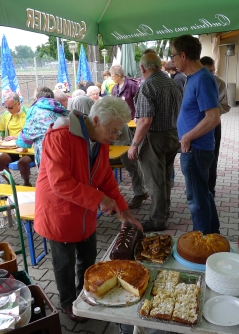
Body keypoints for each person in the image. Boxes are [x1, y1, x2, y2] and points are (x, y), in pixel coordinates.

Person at [34, 96, 143, 323]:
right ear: (95, 120)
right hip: (59, 212)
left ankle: (86, 294)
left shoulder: (99, 140)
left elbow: (105, 178)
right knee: (64, 262)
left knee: (88, 256)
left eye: (117, 132)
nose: (114, 137)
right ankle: (67, 302)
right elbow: (60, 183)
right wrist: (99, 199)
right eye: (112, 131)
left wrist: (124, 211)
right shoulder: (60, 136)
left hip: (85, 210)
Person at [172, 35, 221, 235]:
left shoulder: (202, 78)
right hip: (195, 148)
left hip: (196, 149)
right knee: (203, 195)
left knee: (197, 200)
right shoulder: (193, 78)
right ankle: (212, 236)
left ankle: (202, 242)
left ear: (183, 55)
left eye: (174, 56)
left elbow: (213, 117)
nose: (172, 60)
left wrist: (187, 136)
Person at [128, 52, 183, 232]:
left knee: (155, 181)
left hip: (155, 137)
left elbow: (145, 120)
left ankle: (157, 220)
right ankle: (164, 210)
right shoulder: (171, 82)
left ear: (143, 68)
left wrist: (134, 145)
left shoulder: (148, 86)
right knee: (166, 177)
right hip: (173, 135)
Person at [110, 64, 149, 208]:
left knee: (131, 160)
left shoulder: (131, 85)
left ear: (119, 75)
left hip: (131, 124)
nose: (111, 78)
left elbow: (139, 103)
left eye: (113, 75)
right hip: (119, 124)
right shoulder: (114, 88)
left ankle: (140, 191)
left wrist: (137, 118)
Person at [200, 56, 231, 197]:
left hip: (213, 125)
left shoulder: (220, 83)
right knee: (196, 159)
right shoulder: (192, 80)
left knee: (212, 158)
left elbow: (226, 106)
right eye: (208, 71)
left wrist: (210, 107)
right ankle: (197, 189)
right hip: (196, 126)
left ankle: (210, 190)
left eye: (213, 71)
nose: (211, 74)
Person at [16, 87, 68, 167]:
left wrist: (20, 143)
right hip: (64, 150)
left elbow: (27, 135)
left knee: (47, 178)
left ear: (36, 98)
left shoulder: (35, 109)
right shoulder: (60, 108)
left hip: (46, 154)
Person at [0, 92, 33, 186]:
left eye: (10, 107)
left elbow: (32, 132)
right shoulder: (6, 115)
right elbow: (1, 130)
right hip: (13, 147)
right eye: (6, 107)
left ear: (19, 103)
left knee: (22, 163)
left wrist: (17, 137)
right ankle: (12, 184)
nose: (8, 109)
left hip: (28, 147)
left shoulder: (28, 113)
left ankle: (27, 183)